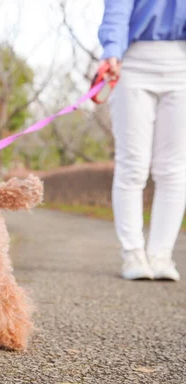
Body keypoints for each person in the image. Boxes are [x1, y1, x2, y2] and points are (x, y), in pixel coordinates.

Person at [98, 0, 186, 281]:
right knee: (132, 164)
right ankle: (133, 253)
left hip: (182, 61)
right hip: (133, 61)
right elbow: (118, 8)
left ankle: (161, 255)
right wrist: (112, 49)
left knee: (173, 168)